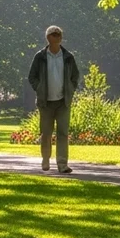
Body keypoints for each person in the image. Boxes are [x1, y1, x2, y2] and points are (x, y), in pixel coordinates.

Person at [27, 25, 81, 173]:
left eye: (59, 34)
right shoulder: (40, 57)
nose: (58, 37)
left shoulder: (68, 57)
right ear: (48, 38)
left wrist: (71, 89)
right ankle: (45, 160)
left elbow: (75, 76)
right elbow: (32, 76)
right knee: (46, 133)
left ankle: (62, 164)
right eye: (54, 34)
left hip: (63, 101)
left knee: (63, 133)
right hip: (46, 102)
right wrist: (39, 88)